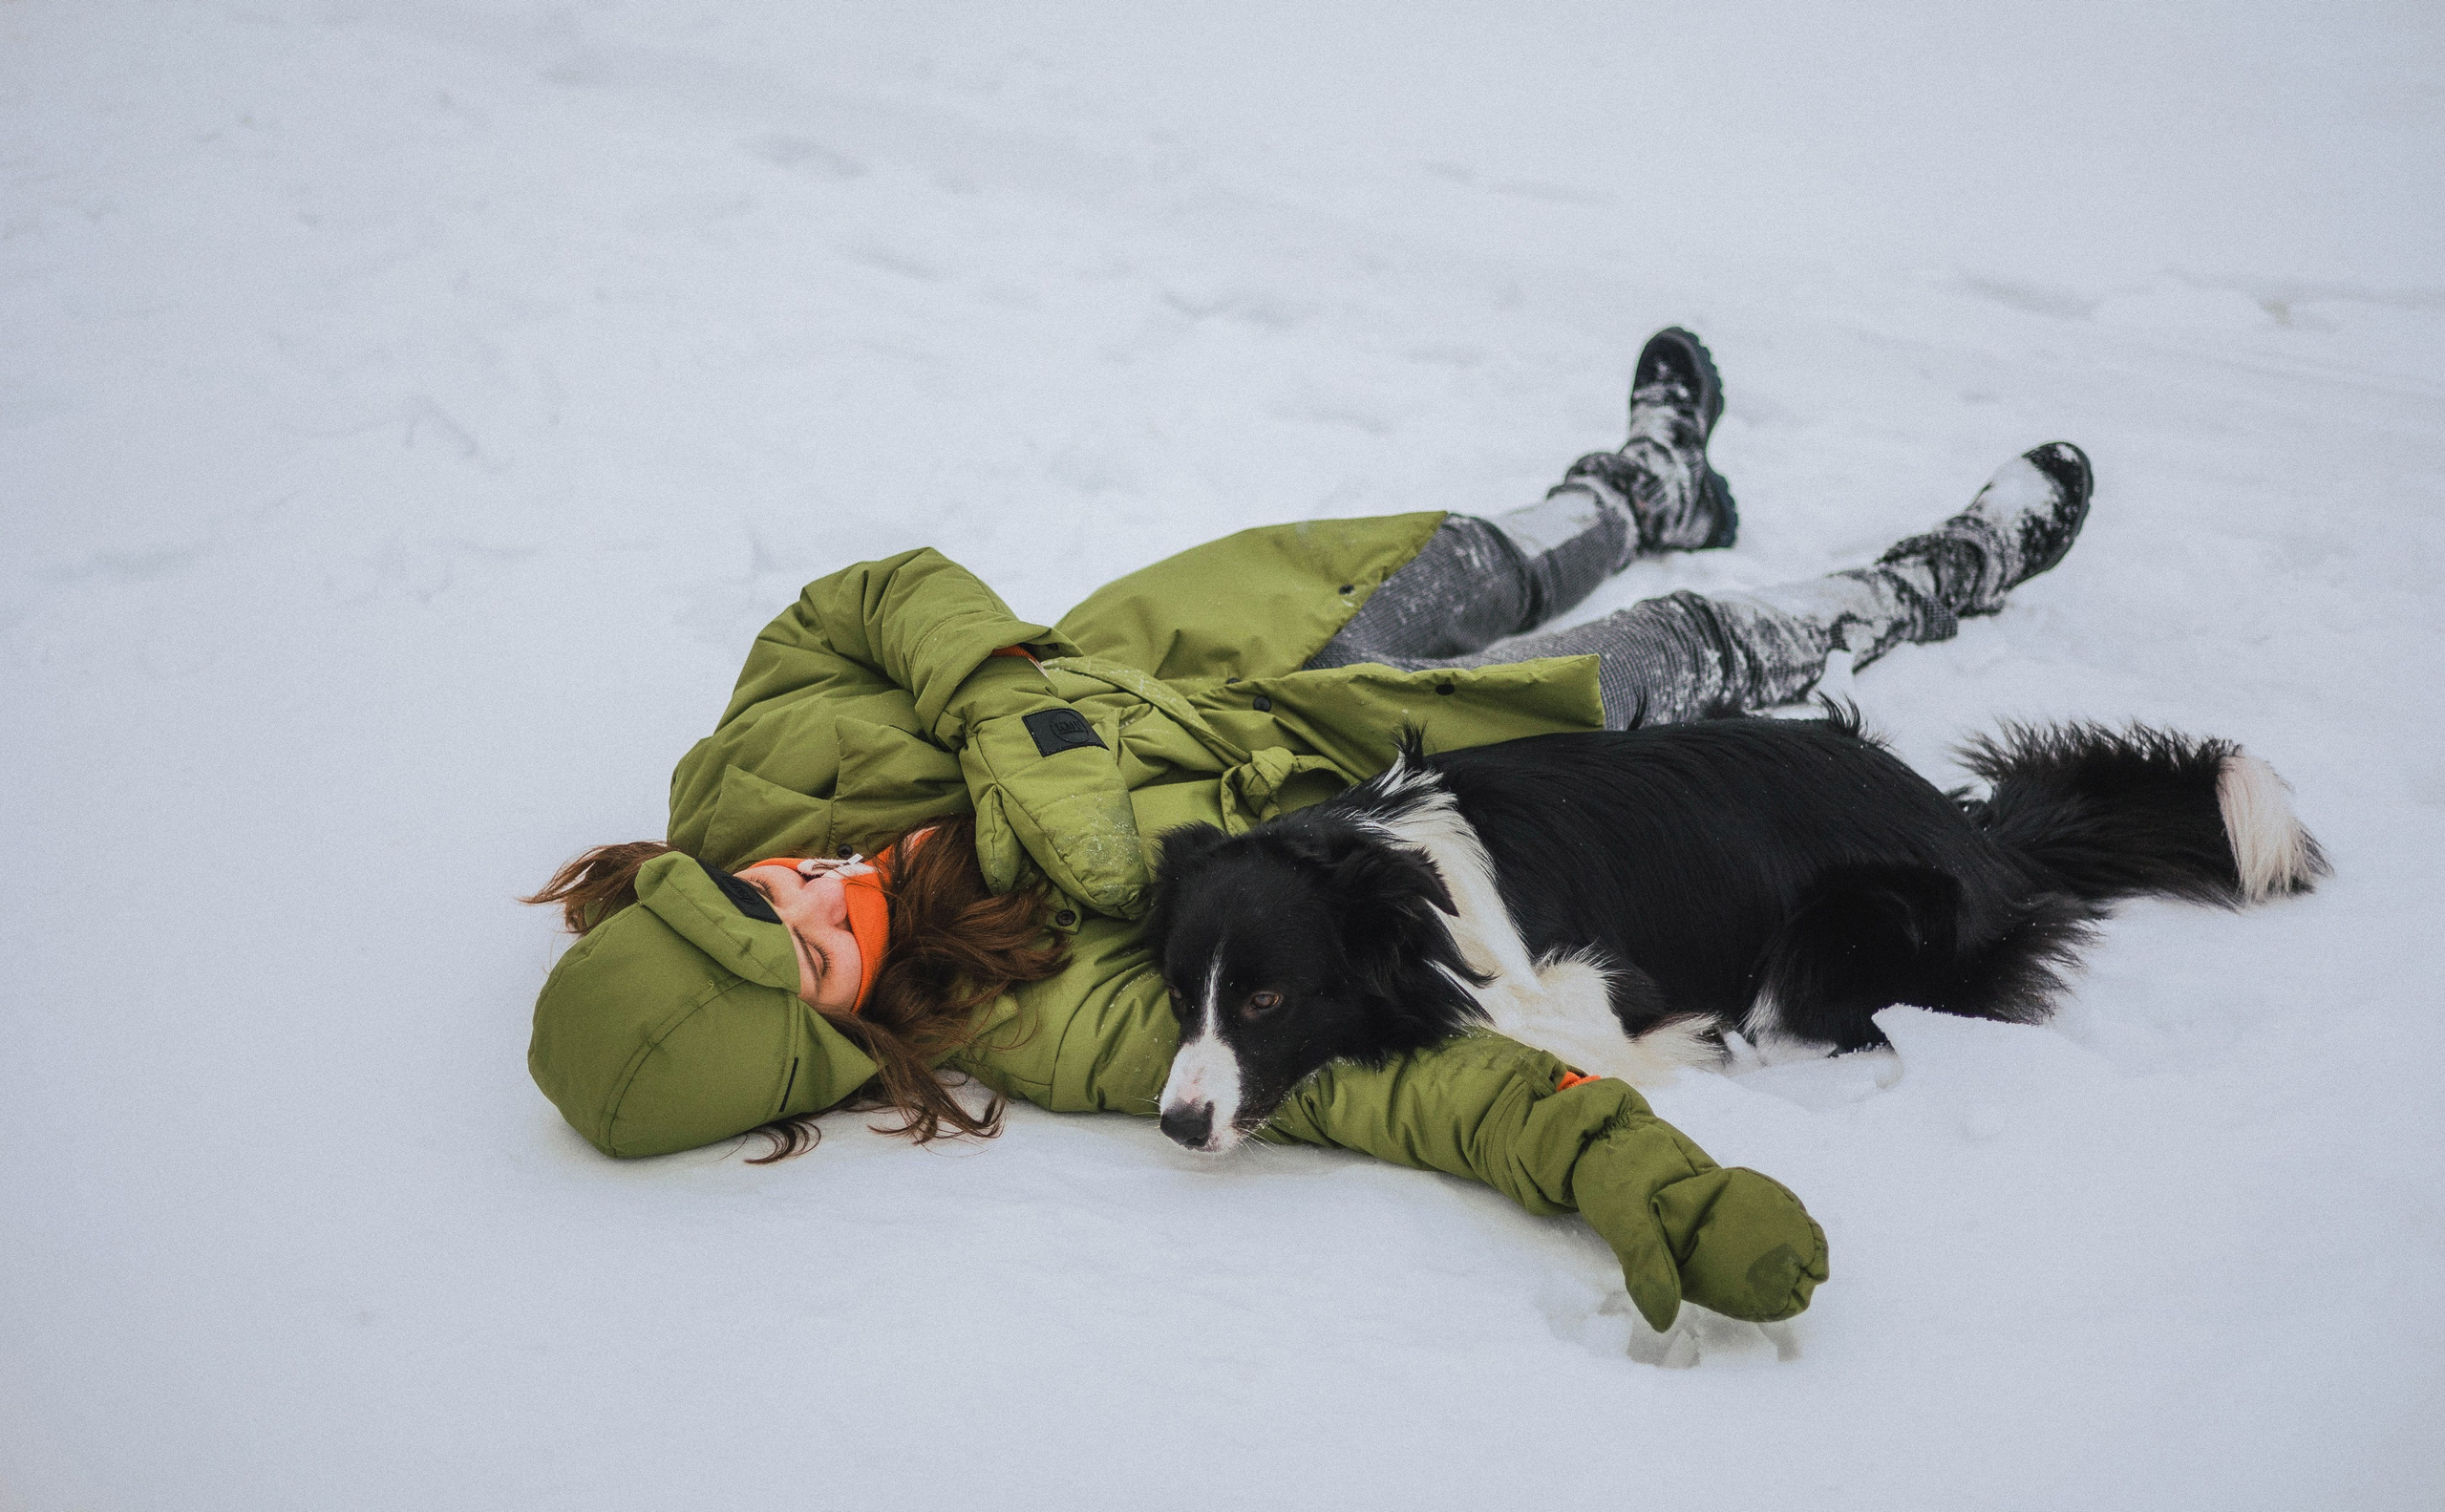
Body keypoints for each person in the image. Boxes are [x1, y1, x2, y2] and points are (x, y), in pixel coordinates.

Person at [522, 330, 2092, 1333]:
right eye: (806, 958)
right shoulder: (1018, 1014)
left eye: (749, 896)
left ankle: (1637, 482)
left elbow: (865, 598)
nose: (813, 891)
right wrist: (1643, 1178)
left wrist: (1025, 720)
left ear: (677, 878)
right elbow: (1381, 1078)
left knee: (1468, 559)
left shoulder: (743, 779)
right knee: (1656, 666)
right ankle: (1937, 574)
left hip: (1201, 651)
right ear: (826, 1043)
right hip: (1342, 805)